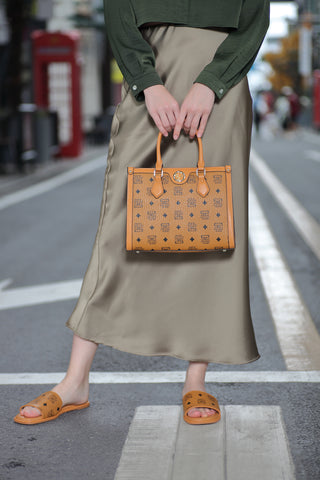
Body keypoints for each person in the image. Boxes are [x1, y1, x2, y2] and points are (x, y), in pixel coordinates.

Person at [14, 0, 270, 426]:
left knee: (209, 230)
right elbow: (117, 10)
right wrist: (147, 82)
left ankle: (195, 381)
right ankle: (75, 381)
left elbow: (255, 18)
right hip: (151, 84)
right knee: (118, 227)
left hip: (218, 93)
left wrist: (212, 83)